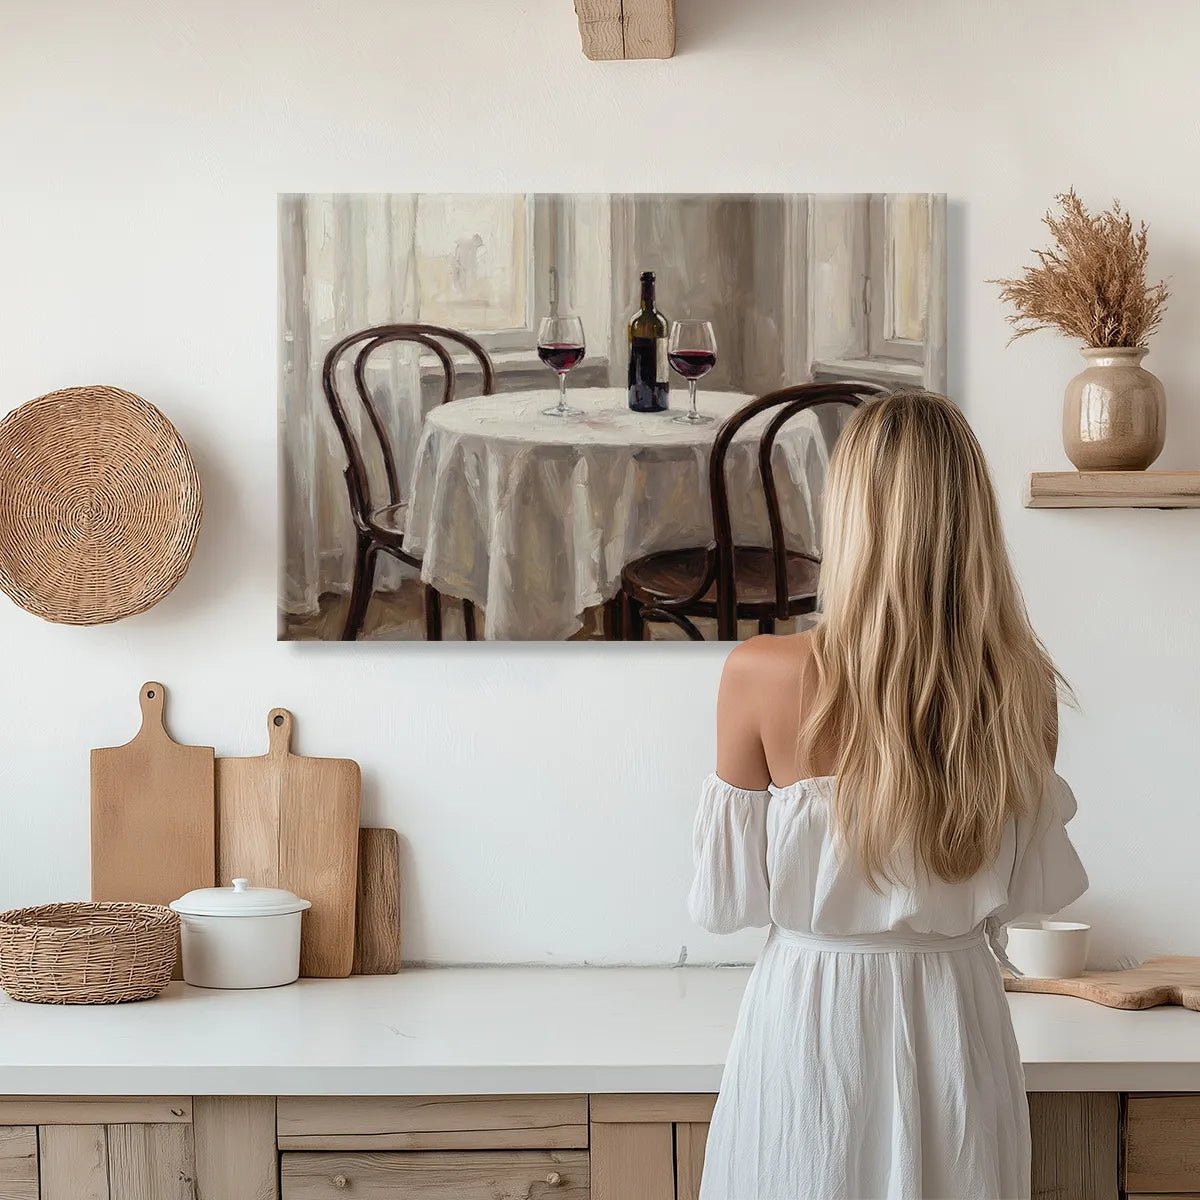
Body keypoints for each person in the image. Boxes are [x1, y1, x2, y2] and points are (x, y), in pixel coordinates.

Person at [689, 390, 1087, 1200]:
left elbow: (727, 904)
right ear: (972, 519)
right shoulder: (1023, 689)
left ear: (850, 516)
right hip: (958, 1026)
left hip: (810, 1027)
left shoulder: (761, 674)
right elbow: (1027, 899)